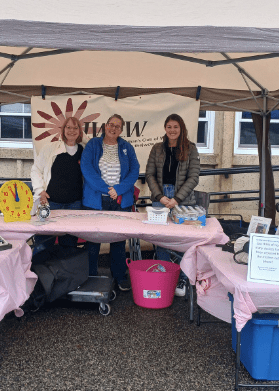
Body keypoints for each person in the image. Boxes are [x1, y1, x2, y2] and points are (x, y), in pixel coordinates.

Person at [81, 114, 140, 291]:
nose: (113, 128)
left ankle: (119, 276)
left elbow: (134, 171)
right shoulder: (93, 144)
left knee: (119, 241)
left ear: (121, 130)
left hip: (120, 201)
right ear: (105, 126)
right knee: (93, 241)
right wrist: (107, 189)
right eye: (111, 124)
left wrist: (119, 189)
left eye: (117, 126)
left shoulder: (126, 147)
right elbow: (87, 169)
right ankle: (90, 275)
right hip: (96, 200)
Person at [145, 113, 200, 296]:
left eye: (176, 127)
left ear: (181, 128)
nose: (172, 130)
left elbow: (193, 177)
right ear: (165, 128)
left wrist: (177, 199)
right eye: (169, 127)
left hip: (183, 202)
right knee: (161, 240)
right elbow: (150, 175)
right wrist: (160, 196)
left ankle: (182, 278)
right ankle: (165, 275)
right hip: (160, 200)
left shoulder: (191, 149)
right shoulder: (157, 149)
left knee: (183, 241)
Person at [30, 116, 87, 251]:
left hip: (74, 205)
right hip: (50, 204)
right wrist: (40, 191)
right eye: (68, 127)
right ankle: (39, 265)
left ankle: (65, 266)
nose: (71, 131)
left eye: (75, 128)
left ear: (80, 131)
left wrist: (83, 138)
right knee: (43, 244)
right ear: (63, 130)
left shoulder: (84, 151)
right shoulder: (50, 148)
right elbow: (36, 169)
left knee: (69, 246)